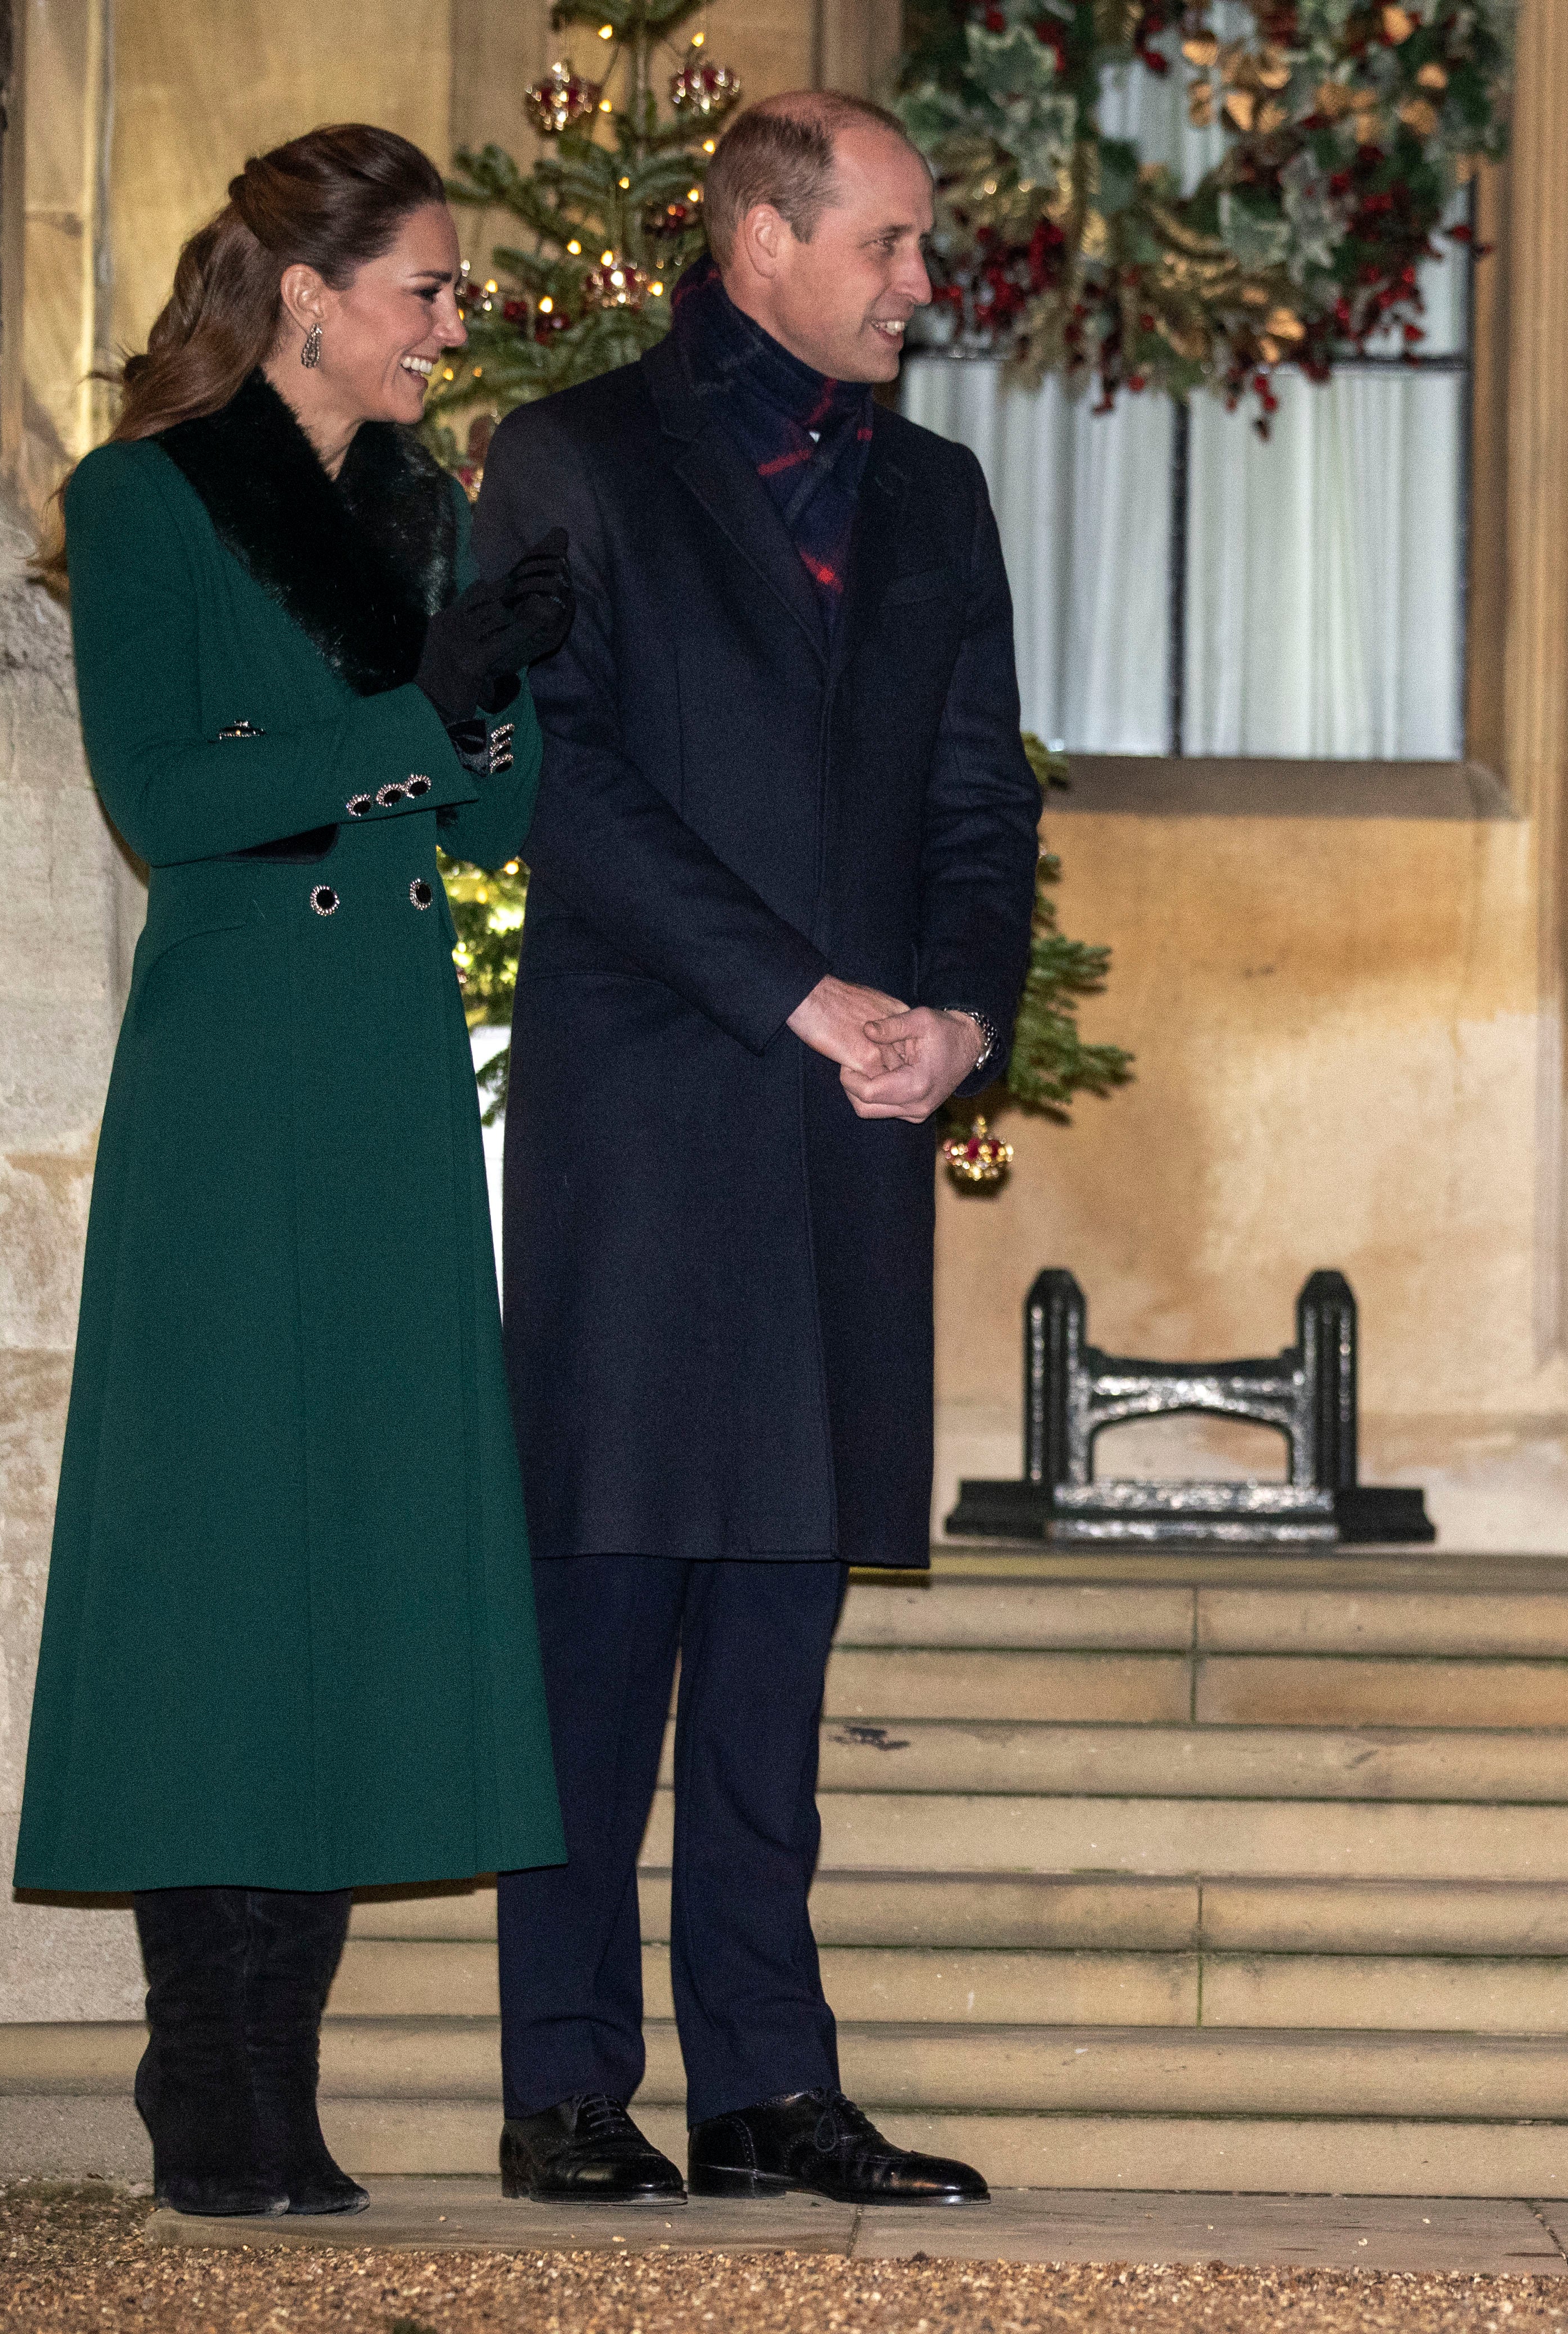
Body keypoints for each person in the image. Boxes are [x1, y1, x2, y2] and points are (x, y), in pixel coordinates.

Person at [472, 90, 1042, 2209]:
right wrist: (798, 990)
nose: (921, 282)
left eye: (918, 245)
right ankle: (561, 2086)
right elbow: (562, 776)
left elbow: (983, 805)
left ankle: (764, 2086)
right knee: (599, 1626)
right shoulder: (571, 457)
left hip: (848, 1146)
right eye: (890, 244)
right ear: (762, 245)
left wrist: (960, 1022)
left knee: (777, 1654)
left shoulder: (944, 496)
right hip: (650, 1130)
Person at [15, 123, 577, 2218]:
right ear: (312, 297)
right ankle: (208, 2067)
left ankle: (285, 2071)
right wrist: (415, 708)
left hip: (384, 1090)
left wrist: (499, 696)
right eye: (425, 289)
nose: (451, 322)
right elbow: (165, 791)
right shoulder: (142, 499)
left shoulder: (413, 512)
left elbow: (495, 833)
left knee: (353, 1546)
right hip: (239, 1076)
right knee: (220, 1565)